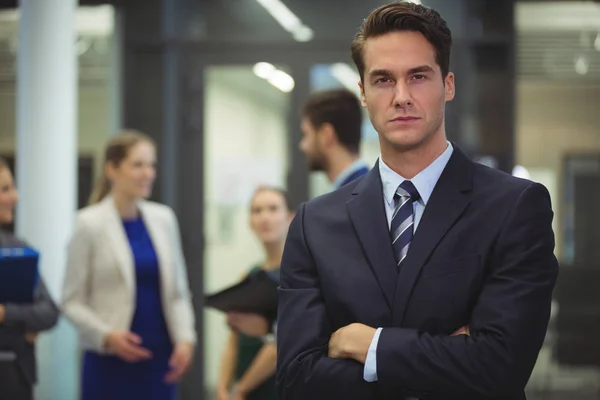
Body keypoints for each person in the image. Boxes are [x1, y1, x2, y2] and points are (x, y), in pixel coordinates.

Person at [276, 3, 559, 400]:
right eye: (383, 80)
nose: (402, 96)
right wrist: (449, 358)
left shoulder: (514, 208)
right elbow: (295, 378)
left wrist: (369, 347)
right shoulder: (314, 225)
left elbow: (500, 367)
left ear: (448, 85)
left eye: (418, 76)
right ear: (363, 93)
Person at [61, 131, 196, 400]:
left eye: (152, 165)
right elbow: (70, 301)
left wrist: (185, 338)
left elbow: (178, 291)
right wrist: (107, 336)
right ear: (112, 169)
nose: (148, 173)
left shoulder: (163, 219)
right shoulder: (89, 224)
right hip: (109, 362)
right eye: (138, 165)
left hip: (161, 359)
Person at [217, 187, 293, 400]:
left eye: (273, 209)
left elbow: (280, 344)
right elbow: (233, 339)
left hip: (276, 388)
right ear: (250, 222)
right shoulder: (250, 275)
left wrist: (241, 389)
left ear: (290, 217)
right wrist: (222, 388)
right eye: (257, 210)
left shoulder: (298, 275)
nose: (264, 217)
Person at [0, 156, 59, 400]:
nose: (16, 197)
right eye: (5, 189)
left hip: (17, 379)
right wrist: (20, 328)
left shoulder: (18, 249)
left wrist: (5, 315)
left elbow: (49, 311)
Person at [300, 89, 369, 190]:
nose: (303, 146)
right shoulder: (365, 188)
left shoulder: (352, 196)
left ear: (326, 135)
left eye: (306, 134)